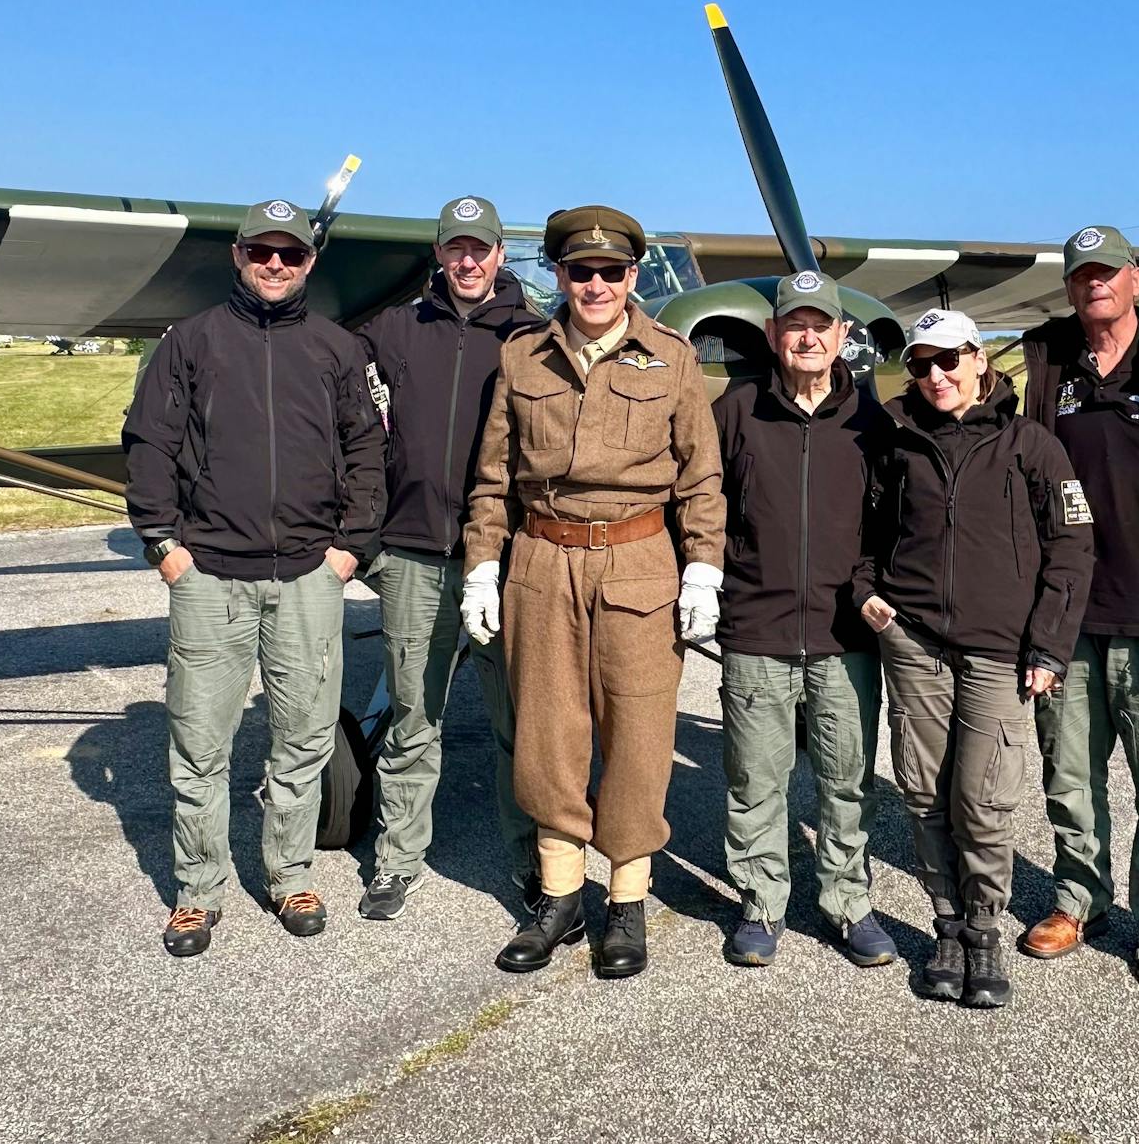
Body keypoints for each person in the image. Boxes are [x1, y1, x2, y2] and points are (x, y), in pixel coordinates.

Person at [461, 205, 726, 979]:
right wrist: (484, 563)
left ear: (633, 277)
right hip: (543, 561)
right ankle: (559, 900)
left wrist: (703, 565)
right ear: (560, 276)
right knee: (548, 736)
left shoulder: (671, 359)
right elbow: (492, 480)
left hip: (640, 560)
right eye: (581, 271)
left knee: (640, 737)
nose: (597, 284)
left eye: (612, 272)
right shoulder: (522, 359)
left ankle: (627, 904)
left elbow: (701, 477)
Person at [123, 199, 385, 956]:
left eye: (291, 255)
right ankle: (198, 889)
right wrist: (162, 544)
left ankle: (289, 873)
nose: (276, 265)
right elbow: (148, 443)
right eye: (262, 252)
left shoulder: (339, 350)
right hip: (209, 577)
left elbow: (369, 451)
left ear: (309, 263)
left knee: (301, 738)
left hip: (309, 575)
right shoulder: (191, 342)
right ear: (238, 255)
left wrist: (348, 550)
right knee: (200, 743)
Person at [856, 308, 1094, 1007]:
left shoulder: (1033, 446)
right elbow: (869, 529)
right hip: (915, 641)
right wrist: (868, 591)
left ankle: (987, 928)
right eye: (921, 365)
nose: (935, 376)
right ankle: (949, 926)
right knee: (925, 793)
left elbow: (1073, 546)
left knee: (982, 798)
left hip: (1000, 650)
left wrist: (1049, 642)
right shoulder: (899, 444)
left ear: (979, 358)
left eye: (948, 360)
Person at [1015, 225, 1139, 989]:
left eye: (1107, 272)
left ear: (1135, 280)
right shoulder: (1045, 368)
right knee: (1070, 773)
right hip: (1062, 614)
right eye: (1080, 275)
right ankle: (1077, 896)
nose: (1093, 283)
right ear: (1069, 288)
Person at [353, 196, 541, 921]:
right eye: (456, 248)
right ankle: (398, 860)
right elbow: (331, 392)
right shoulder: (396, 328)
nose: (468, 260)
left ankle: (531, 862)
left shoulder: (532, 337)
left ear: (500, 256)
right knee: (413, 713)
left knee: (517, 720)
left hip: (506, 558)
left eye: (482, 248)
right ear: (439, 253)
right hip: (411, 553)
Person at [712, 270, 895, 969]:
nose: (809, 336)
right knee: (756, 778)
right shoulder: (737, 410)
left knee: (847, 779)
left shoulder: (871, 424)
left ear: (843, 336)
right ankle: (761, 902)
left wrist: (869, 590)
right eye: (795, 324)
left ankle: (848, 901)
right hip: (756, 628)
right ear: (774, 336)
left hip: (843, 636)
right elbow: (701, 503)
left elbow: (889, 528)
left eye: (822, 324)